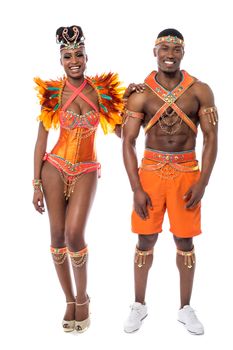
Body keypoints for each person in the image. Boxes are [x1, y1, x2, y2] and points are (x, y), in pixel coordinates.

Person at [32, 25, 143, 333]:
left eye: (78, 54)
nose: (73, 61)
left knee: (74, 235)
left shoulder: (103, 91)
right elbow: (41, 141)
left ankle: (83, 299)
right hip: (53, 166)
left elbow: (123, 132)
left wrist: (131, 102)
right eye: (67, 56)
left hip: (86, 169)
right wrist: (35, 183)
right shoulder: (52, 93)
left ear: (87, 56)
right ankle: (68, 299)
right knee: (56, 239)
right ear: (61, 61)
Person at [122, 28, 218, 335]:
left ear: (183, 53)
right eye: (164, 48)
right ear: (155, 52)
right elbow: (127, 141)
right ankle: (139, 305)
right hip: (149, 173)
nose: (169, 54)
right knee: (145, 239)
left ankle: (185, 308)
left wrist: (203, 181)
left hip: (187, 171)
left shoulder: (201, 90)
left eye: (175, 50)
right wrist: (136, 187)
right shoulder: (140, 93)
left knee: (185, 241)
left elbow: (211, 137)